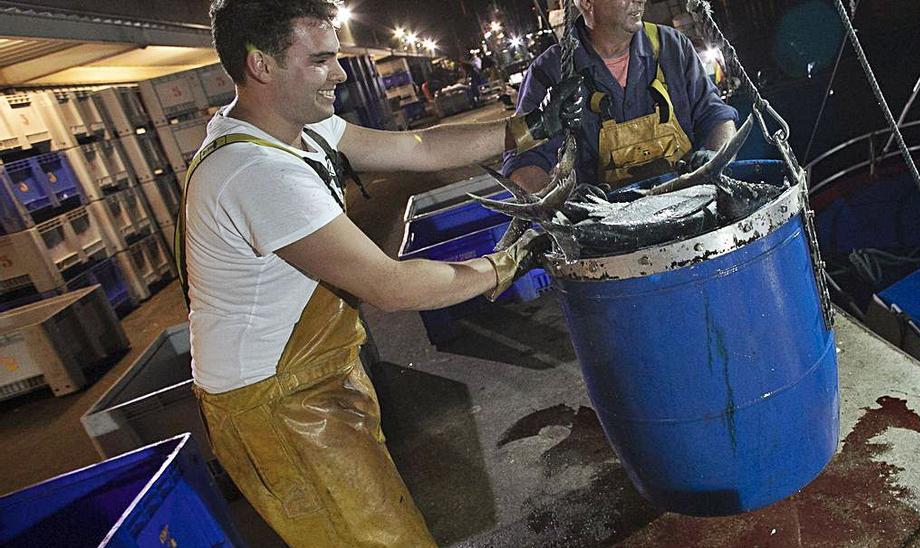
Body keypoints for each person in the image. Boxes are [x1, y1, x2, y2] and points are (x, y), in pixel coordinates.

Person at [181, 1, 584, 545]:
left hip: (312, 372)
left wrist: (529, 128)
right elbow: (390, 287)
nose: (341, 73)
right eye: (321, 59)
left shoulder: (304, 127)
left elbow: (416, 147)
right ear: (260, 65)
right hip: (275, 402)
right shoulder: (255, 172)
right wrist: (506, 263)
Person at [502, 0, 738, 192]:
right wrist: (560, 204)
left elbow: (716, 117)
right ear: (586, 3)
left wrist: (715, 157)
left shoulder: (671, 46)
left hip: (690, 204)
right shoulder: (552, 71)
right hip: (605, 231)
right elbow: (523, 162)